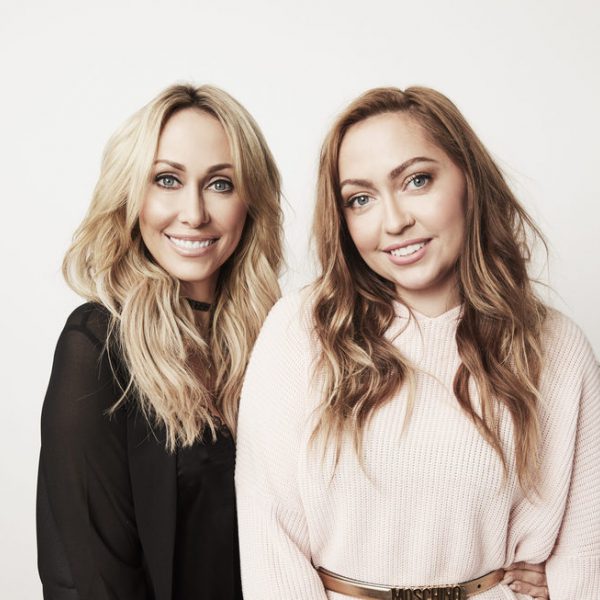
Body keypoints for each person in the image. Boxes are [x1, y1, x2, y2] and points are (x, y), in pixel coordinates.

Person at [235, 87, 599, 599]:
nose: (394, 221)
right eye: (360, 199)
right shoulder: (300, 330)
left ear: (469, 180)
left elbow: (584, 554)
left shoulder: (556, 346)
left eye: (417, 180)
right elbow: (270, 542)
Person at [37, 83, 283, 600]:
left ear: (250, 202)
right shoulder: (98, 346)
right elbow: (91, 581)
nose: (194, 213)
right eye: (167, 180)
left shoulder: (281, 340)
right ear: (131, 194)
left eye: (220, 184)